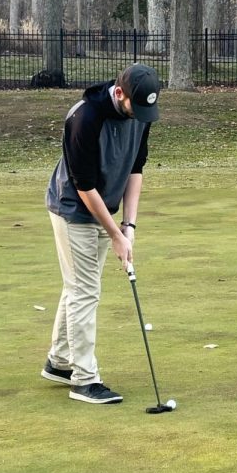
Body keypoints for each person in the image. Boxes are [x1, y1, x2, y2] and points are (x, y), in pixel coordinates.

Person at [42, 63, 161, 404]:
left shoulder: (141, 112)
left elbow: (136, 169)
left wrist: (130, 225)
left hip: (105, 206)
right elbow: (85, 186)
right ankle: (84, 379)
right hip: (73, 208)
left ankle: (60, 362)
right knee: (85, 291)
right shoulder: (85, 118)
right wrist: (115, 234)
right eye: (134, 108)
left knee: (77, 286)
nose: (139, 116)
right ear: (119, 93)